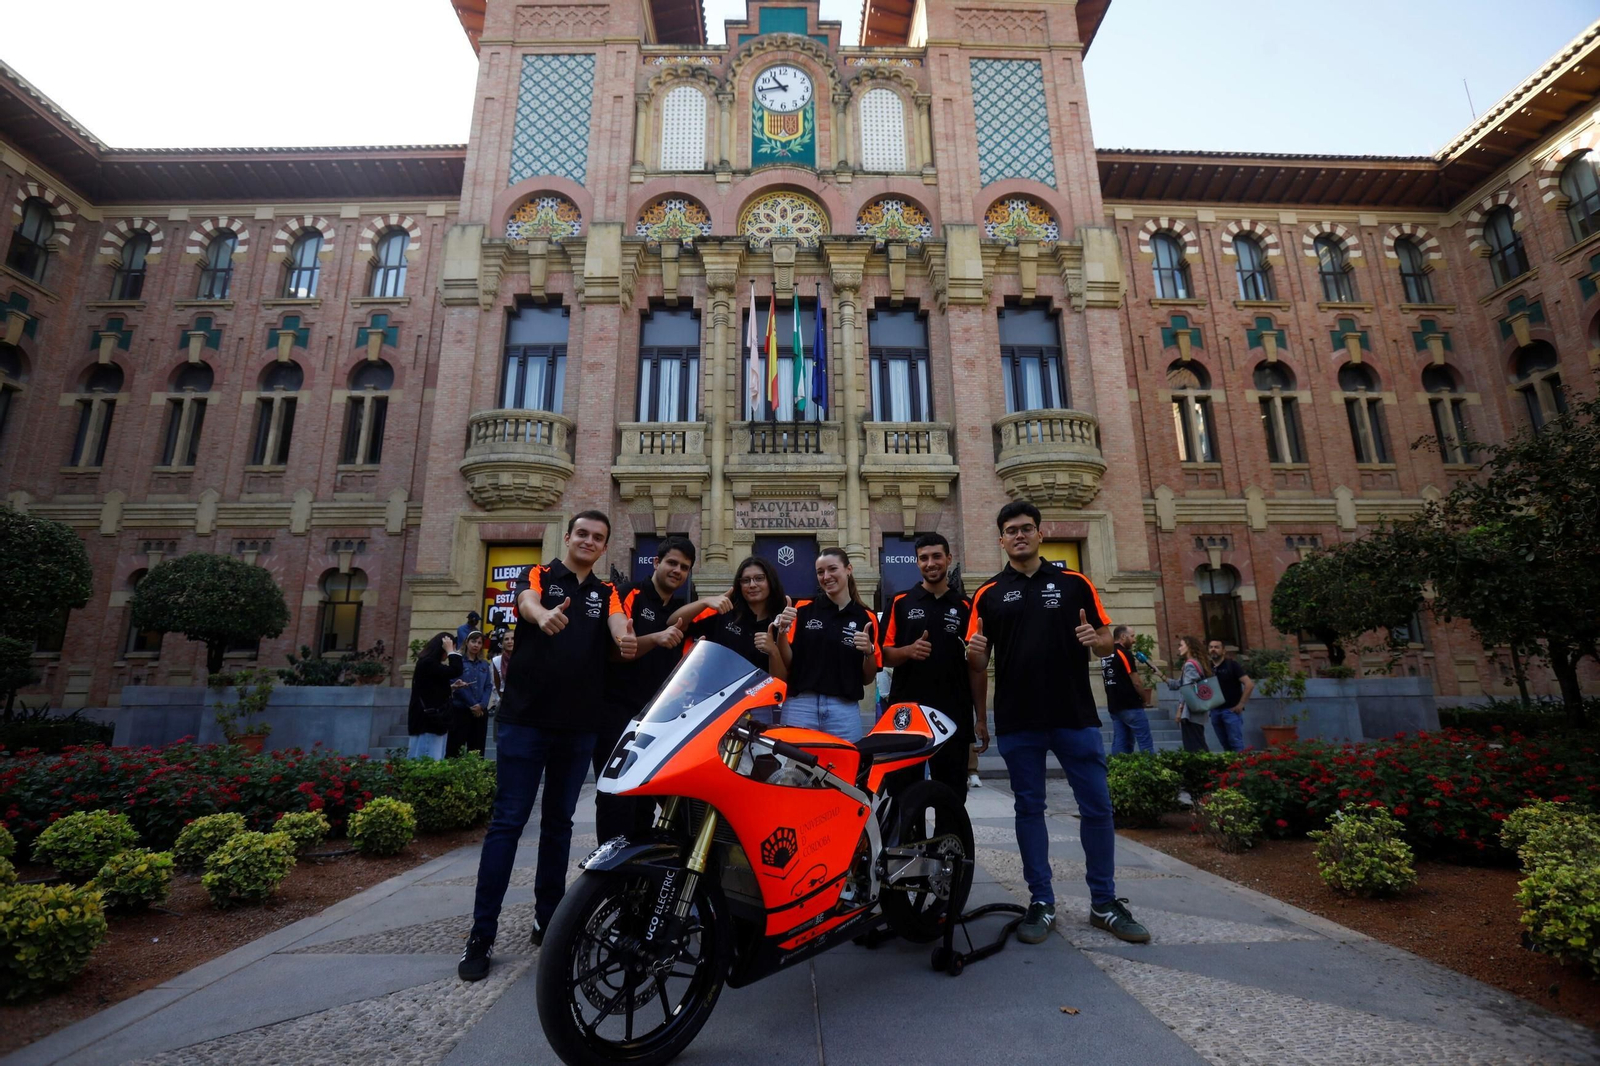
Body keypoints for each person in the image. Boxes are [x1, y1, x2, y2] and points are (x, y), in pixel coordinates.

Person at [459, 510, 637, 983]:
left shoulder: (607, 592)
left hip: (578, 726)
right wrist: (541, 616)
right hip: (525, 721)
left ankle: (548, 918)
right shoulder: (539, 573)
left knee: (559, 825)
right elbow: (526, 603)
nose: (589, 541)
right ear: (569, 536)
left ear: (604, 547)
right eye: (582, 533)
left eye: (598, 537)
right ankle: (482, 933)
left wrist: (627, 639)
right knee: (508, 823)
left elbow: (620, 628)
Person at [966, 500, 1149, 946]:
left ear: (1040, 534)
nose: (1020, 535)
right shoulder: (987, 593)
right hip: (1017, 718)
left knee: (1097, 808)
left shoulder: (1074, 583)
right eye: (1012, 530)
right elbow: (977, 659)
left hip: (1074, 715)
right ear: (1002, 540)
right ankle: (1041, 902)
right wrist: (977, 697)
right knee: (1029, 809)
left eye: (1027, 528)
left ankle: (1103, 903)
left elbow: (1107, 640)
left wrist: (1098, 641)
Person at [596, 534, 696, 844]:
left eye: (684, 566)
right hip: (617, 714)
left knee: (643, 799)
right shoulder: (629, 594)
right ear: (655, 562)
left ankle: (636, 882)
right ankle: (606, 880)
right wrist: (654, 638)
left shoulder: (680, 610)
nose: (677, 570)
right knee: (615, 798)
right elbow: (616, 652)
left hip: (657, 720)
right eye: (671, 563)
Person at [878, 532, 983, 799]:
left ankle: (948, 841)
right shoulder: (901, 602)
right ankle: (910, 842)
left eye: (937, 556)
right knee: (904, 793)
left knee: (951, 796)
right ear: (917, 563)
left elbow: (976, 667)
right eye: (923, 558)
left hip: (954, 713)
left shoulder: (965, 606)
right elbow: (883, 655)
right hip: (908, 714)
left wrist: (980, 717)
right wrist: (908, 651)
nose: (930, 563)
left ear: (948, 559)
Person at [771, 548, 880, 742]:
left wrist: (869, 652)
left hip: (843, 709)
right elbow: (789, 661)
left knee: (843, 770)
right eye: (820, 572)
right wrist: (781, 633)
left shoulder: (866, 617)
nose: (826, 576)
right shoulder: (802, 609)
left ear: (848, 569)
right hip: (800, 705)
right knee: (794, 771)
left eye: (832, 569)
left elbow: (867, 678)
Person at [671, 555, 786, 721]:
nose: (752, 585)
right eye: (745, 580)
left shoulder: (780, 622)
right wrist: (705, 602)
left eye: (759, 579)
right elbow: (674, 622)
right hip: (713, 701)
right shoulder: (724, 611)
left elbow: (781, 680)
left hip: (757, 706)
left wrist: (773, 651)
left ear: (771, 581)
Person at [407, 632, 464, 761]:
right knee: (429, 759)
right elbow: (456, 670)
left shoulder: (430, 664)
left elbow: (430, 688)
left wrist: (451, 687)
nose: (452, 651)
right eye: (451, 648)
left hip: (435, 720)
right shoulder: (427, 663)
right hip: (428, 722)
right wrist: (451, 652)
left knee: (436, 757)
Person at [1102, 625, 1154, 754]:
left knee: (1120, 741)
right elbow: (1136, 681)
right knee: (1145, 741)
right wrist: (1144, 698)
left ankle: (1118, 771)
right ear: (1123, 637)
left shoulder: (1106, 655)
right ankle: (1151, 770)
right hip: (1130, 704)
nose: (1134, 640)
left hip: (1114, 705)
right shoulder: (1124, 654)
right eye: (1132, 636)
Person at [448, 630, 493, 757]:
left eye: (479, 643)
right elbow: (458, 684)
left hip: (480, 712)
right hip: (461, 710)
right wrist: (473, 705)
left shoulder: (484, 664)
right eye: (473, 641)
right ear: (467, 642)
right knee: (455, 749)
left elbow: (488, 686)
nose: (476, 645)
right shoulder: (458, 662)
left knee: (477, 751)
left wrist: (482, 705)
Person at [1164, 636, 1211, 752]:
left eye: (1181, 645)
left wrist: (1180, 710)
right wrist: (1161, 675)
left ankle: (1206, 768)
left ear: (1189, 647)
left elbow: (1187, 688)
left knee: (1194, 746)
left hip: (1190, 713)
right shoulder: (1195, 663)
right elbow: (1178, 684)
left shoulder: (1190, 665)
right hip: (1196, 711)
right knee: (1198, 742)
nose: (1179, 648)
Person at [1208, 638, 1254, 751]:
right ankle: (1230, 767)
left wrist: (1241, 704)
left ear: (1223, 651)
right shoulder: (1208, 668)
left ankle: (1241, 767)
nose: (1213, 649)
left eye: (1216, 647)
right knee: (1224, 743)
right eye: (1211, 647)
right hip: (1214, 711)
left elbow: (1249, 684)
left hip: (1231, 711)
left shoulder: (1232, 665)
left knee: (1235, 742)